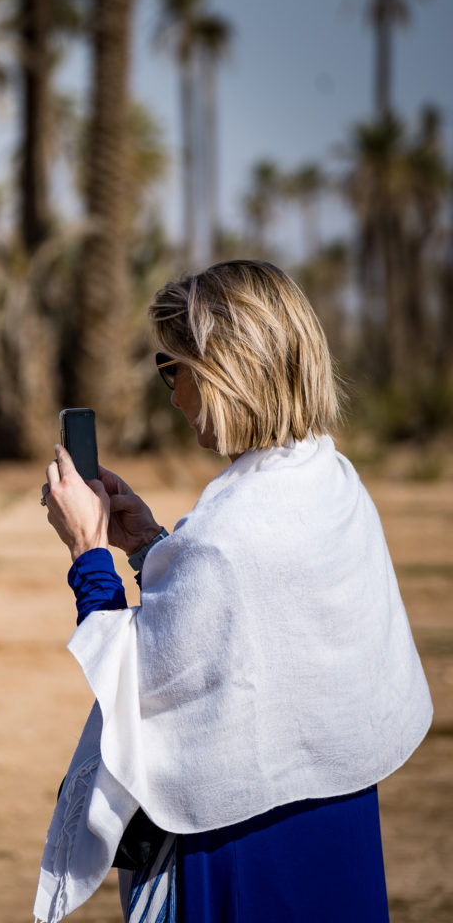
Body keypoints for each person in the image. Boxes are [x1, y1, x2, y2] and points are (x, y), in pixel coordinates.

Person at [31, 260, 432, 923]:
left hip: (241, 844)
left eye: (173, 368)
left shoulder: (228, 529)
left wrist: (89, 554)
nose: (171, 393)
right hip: (337, 828)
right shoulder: (329, 479)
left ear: (224, 371)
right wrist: (153, 547)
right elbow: (251, 625)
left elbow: (143, 688)